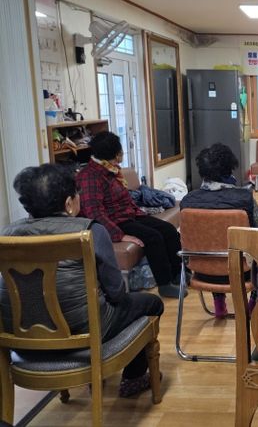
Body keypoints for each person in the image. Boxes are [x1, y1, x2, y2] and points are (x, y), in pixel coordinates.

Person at [0, 164, 165, 397]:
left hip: (20, 340)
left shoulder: (7, 234)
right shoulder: (89, 231)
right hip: (83, 331)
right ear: (69, 203)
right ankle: (133, 378)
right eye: (77, 194)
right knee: (151, 303)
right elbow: (117, 292)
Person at [76, 131, 183, 298]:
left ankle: (179, 274)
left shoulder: (109, 169)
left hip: (130, 215)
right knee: (153, 237)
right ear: (114, 154)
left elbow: (125, 198)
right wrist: (119, 235)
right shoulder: (89, 176)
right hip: (116, 222)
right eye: (119, 152)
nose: (121, 156)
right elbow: (94, 213)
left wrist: (141, 213)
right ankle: (165, 284)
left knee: (168, 230)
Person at [180, 142, 258, 317]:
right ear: (230, 169)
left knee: (211, 243)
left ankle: (219, 303)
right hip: (244, 273)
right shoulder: (245, 199)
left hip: (202, 272)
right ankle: (252, 303)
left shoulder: (187, 201)